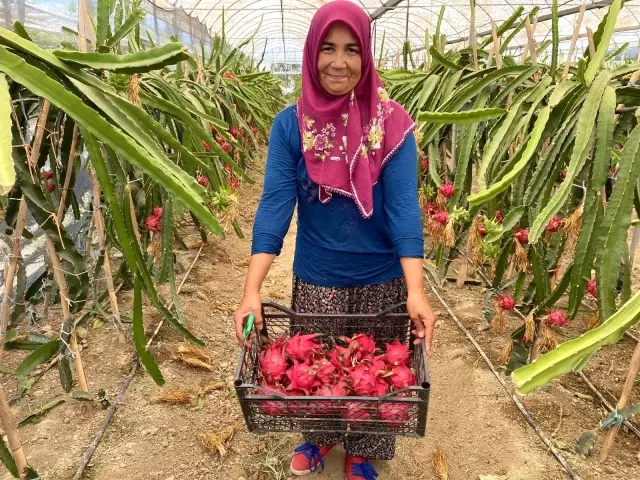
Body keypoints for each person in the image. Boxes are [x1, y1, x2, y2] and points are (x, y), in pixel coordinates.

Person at [234, 1, 436, 478]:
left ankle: (362, 449)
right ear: (311, 52)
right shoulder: (290, 126)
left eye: (351, 50)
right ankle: (320, 440)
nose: (338, 62)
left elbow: (405, 210)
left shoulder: (392, 124)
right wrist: (251, 289)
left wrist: (416, 290)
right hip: (318, 275)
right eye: (327, 48)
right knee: (318, 368)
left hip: (382, 278)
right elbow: (274, 207)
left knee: (372, 379)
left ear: (366, 57)